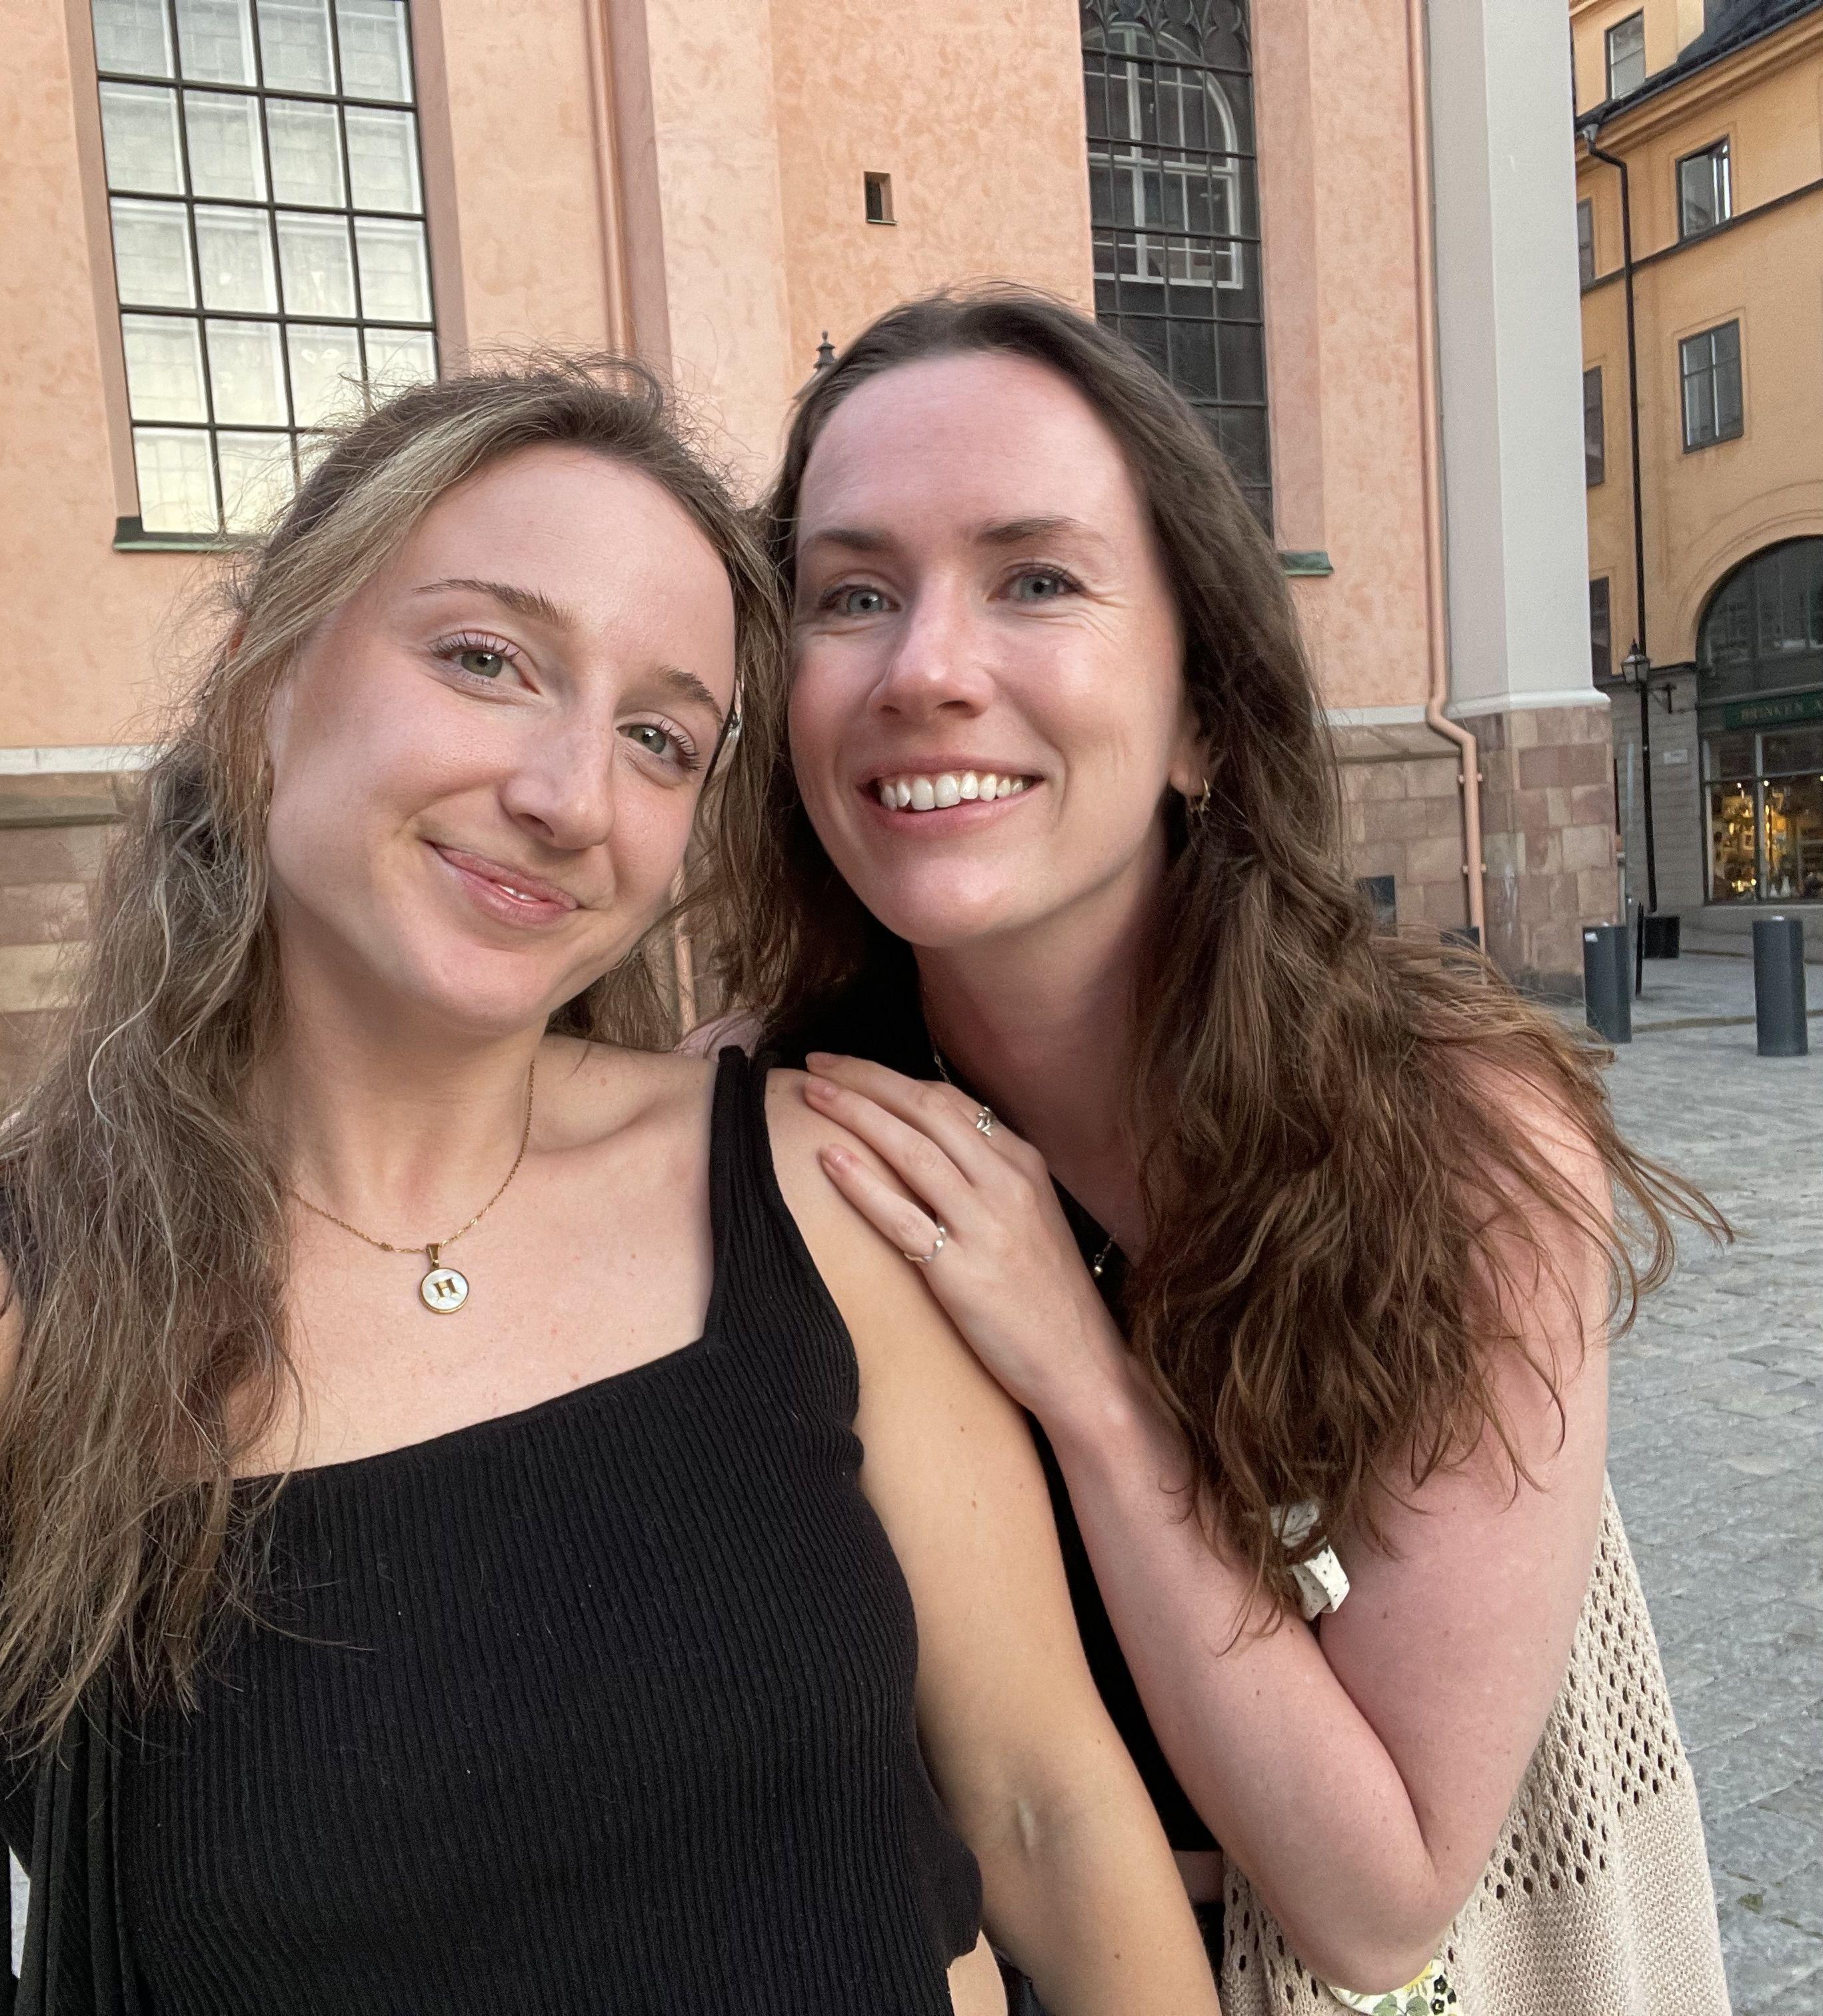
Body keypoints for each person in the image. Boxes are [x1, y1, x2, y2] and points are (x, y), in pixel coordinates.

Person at [0, 361, 1216, 2015]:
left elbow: (1046, 1810)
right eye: (486, 659)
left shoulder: (814, 1186)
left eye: (659, 740)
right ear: (264, 684)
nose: (568, 798)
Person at [732, 289, 1732, 2014]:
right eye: (854, 594)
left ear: (1203, 713)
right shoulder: (764, 1124)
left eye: (1037, 581)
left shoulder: (1453, 1140)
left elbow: (1378, 1903)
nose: (926, 669)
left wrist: (1086, 1384)